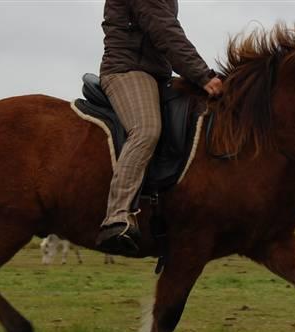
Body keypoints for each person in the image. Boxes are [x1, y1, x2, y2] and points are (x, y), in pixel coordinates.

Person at [95, 0, 223, 256]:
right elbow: (164, 30)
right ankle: (117, 216)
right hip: (127, 70)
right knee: (146, 129)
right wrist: (202, 75)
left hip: (158, 74)